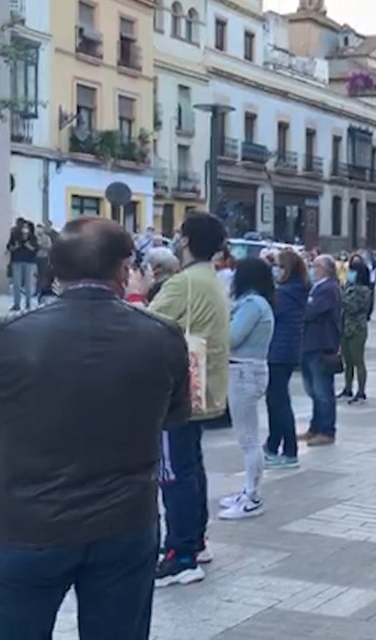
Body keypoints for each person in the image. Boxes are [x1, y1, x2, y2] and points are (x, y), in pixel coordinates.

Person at [0, 217, 190, 639]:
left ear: (55, 271)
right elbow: (175, 414)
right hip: (125, 524)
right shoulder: (162, 337)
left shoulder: (5, 336)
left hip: (29, 524)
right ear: (122, 269)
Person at [148, 211, 231, 588]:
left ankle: (179, 553)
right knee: (191, 467)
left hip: (177, 393)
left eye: (180, 236)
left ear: (186, 241)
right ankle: (195, 542)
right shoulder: (211, 280)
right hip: (205, 389)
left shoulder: (183, 283)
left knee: (174, 472)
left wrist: (138, 293)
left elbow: (145, 326)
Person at [218, 257, 275, 520]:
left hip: (244, 371)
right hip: (246, 370)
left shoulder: (252, 305)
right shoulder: (256, 303)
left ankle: (252, 496)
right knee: (247, 437)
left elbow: (232, 337)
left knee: (249, 439)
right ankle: (248, 491)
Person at [264, 249, 307, 470]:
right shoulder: (296, 291)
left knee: (278, 401)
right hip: (286, 351)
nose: (275, 270)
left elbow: (272, 315)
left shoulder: (286, 294)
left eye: (278, 266)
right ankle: (273, 444)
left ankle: (288, 449)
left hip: (279, 352)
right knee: (277, 400)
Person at [301, 255, 343, 446]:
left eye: (316, 266)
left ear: (326, 269)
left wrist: (304, 307)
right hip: (309, 343)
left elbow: (311, 311)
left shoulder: (329, 288)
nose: (313, 269)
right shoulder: (316, 287)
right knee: (313, 390)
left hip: (322, 344)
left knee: (322, 390)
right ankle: (315, 427)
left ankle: (327, 430)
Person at [339, 255, 374, 404]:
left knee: (358, 360)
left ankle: (361, 391)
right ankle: (347, 387)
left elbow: (353, 307)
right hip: (345, 326)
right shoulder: (348, 287)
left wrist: (340, 298)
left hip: (357, 327)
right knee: (347, 361)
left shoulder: (364, 290)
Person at [6, 219, 39, 311]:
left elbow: (36, 249)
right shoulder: (14, 235)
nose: (24, 230)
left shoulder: (33, 237)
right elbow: (9, 247)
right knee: (16, 284)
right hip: (17, 261)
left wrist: (29, 246)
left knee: (28, 284)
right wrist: (15, 247)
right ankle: (17, 304)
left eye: (26, 227)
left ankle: (28, 304)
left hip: (29, 262)